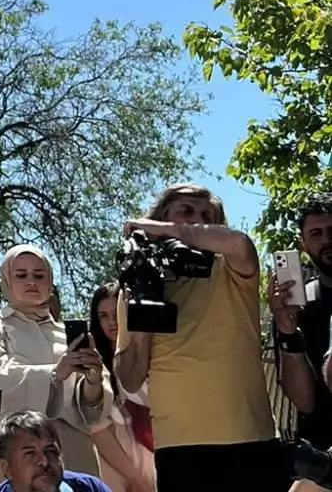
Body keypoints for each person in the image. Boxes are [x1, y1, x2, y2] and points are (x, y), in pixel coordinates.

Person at [112, 183, 286, 492]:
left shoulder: (231, 268)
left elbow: (240, 243)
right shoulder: (138, 284)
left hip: (249, 440)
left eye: (208, 215)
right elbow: (130, 380)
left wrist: (162, 228)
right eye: (186, 211)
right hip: (179, 449)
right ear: (162, 217)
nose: (197, 220)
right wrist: (144, 318)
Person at [0, 245, 111, 487]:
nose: (31, 282)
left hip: (73, 449)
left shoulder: (69, 333)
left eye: (39, 275)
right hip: (17, 450)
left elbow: (95, 410)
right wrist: (56, 373)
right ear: (6, 279)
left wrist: (93, 381)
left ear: (50, 281)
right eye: (21, 275)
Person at [272, 194, 332, 452]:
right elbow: (305, 402)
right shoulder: (299, 307)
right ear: (304, 245)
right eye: (316, 234)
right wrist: (287, 330)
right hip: (323, 453)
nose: (327, 240)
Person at [87, 283, 154, 492]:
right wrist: (135, 478)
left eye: (117, 312)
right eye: (103, 316)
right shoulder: (92, 365)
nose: (112, 322)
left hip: (155, 457)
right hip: (114, 467)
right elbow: (96, 428)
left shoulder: (151, 350)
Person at [0, 411, 113, 492]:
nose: (44, 461)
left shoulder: (89, 488)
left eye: (50, 451)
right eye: (30, 453)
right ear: (7, 469)